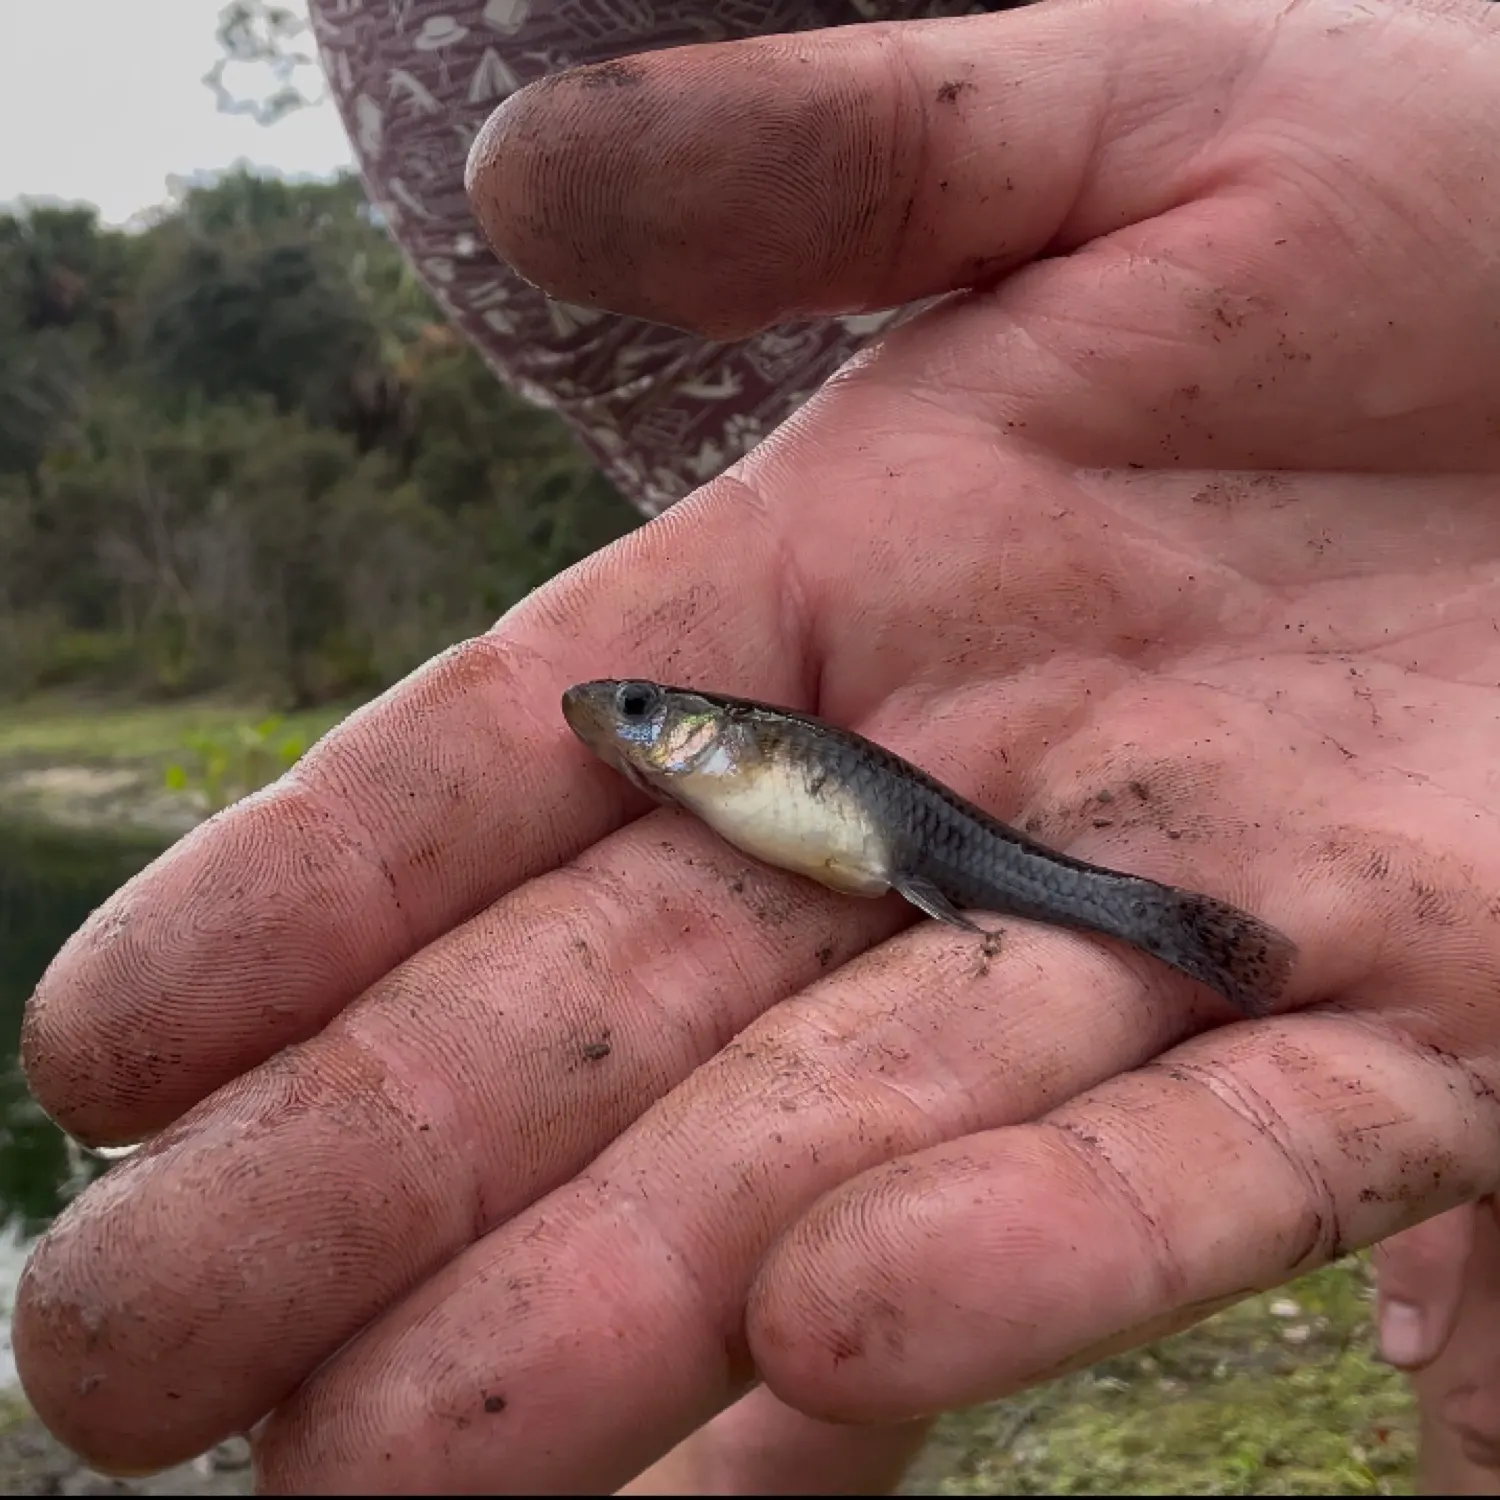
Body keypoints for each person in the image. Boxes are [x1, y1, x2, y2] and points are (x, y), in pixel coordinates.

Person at [13, 0, 1500, 1491]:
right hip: (812, 391)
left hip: (945, 388)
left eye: (660, 717)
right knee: (796, 1280)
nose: (645, 731)